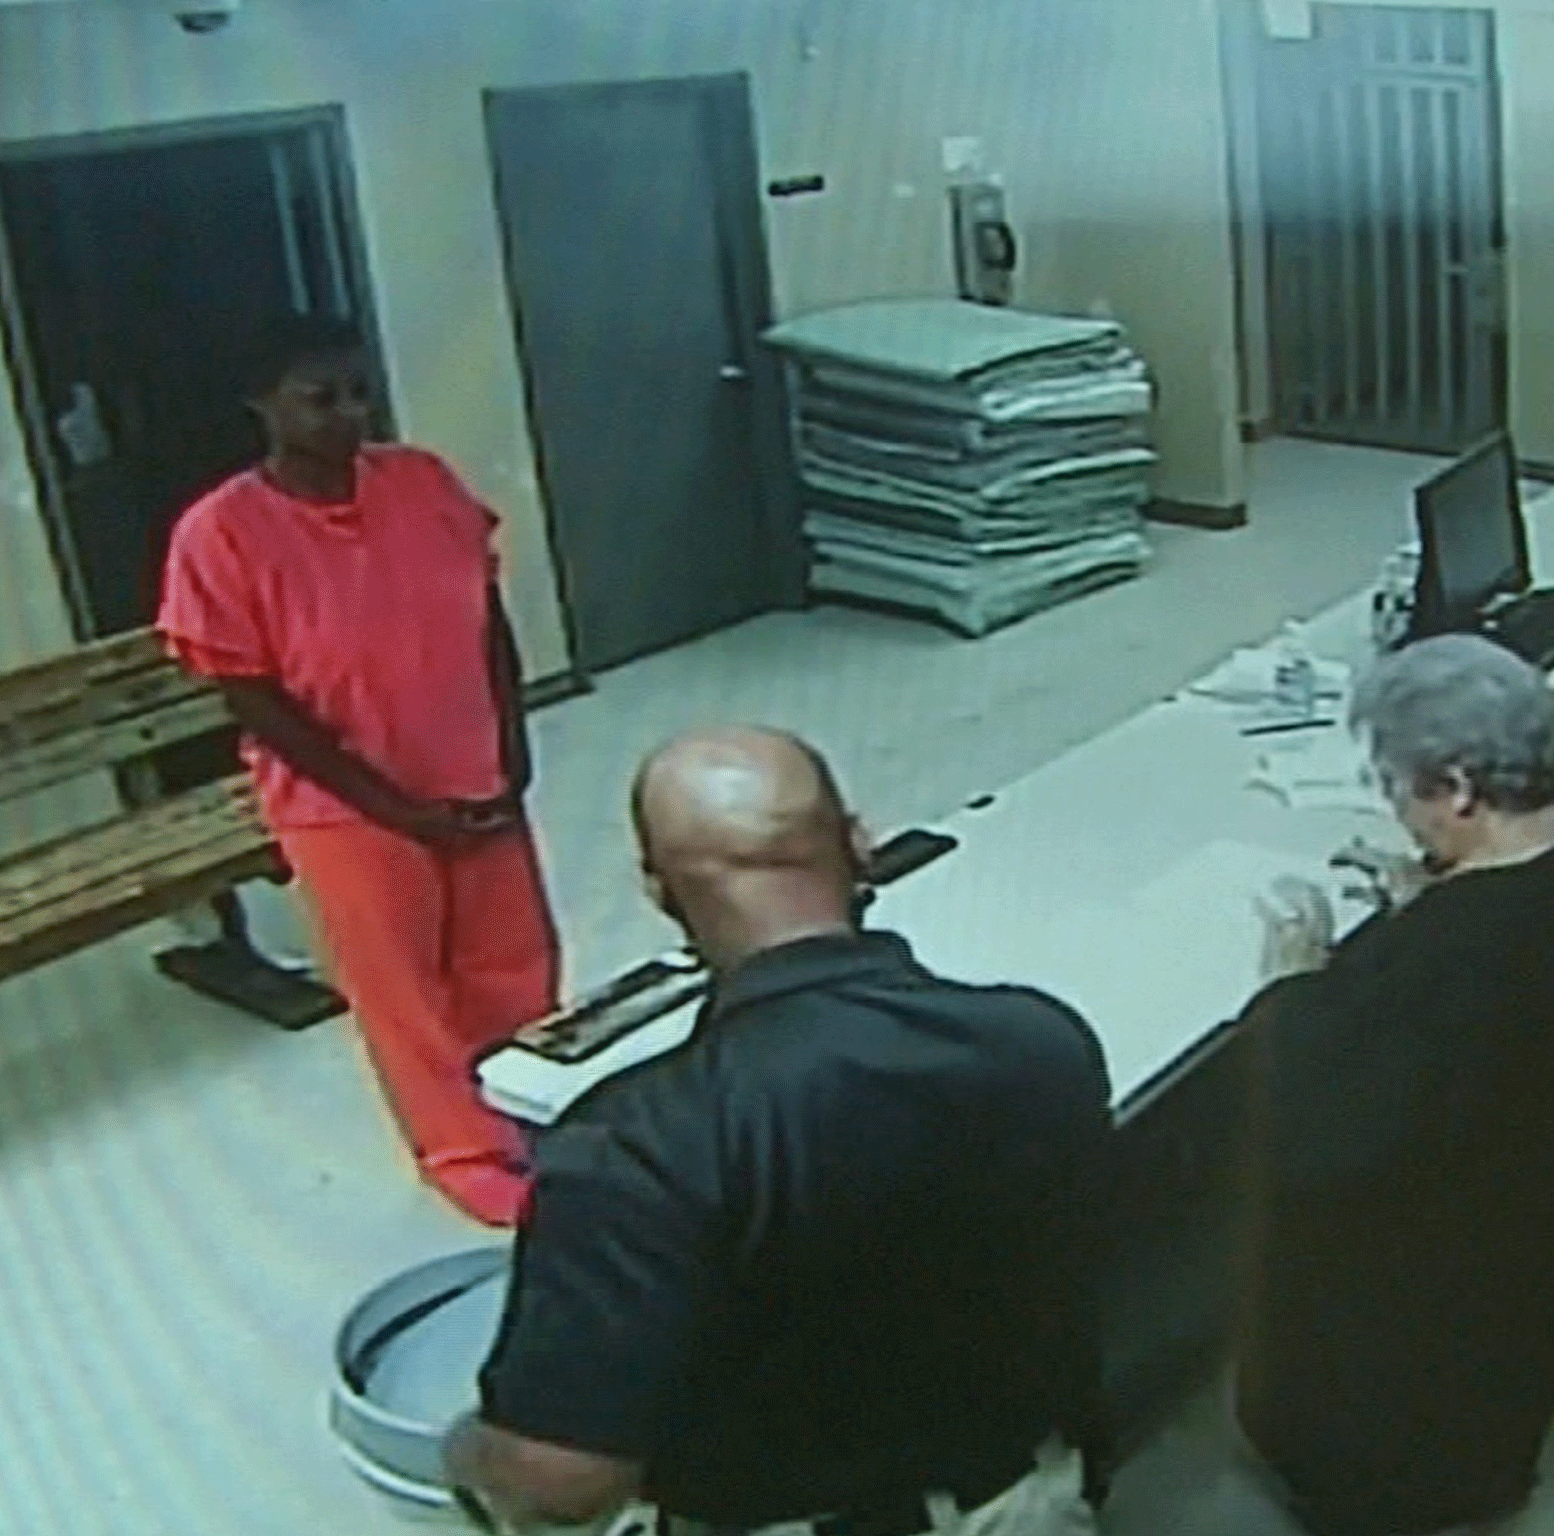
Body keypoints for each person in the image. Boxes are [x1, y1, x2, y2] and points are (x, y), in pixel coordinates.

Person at [445, 727, 1110, 1536]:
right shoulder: (1039, 1039)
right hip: (1030, 1499)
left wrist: (471, 1452)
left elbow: (562, 1486)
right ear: (860, 843)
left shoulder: (632, 1146)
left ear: (658, 891)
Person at [1234, 636, 1554, 1536]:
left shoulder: (1446, 961)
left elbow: (1325, 1142)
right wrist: (1432, 897)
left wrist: (1291, 983)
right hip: (1540, 1226)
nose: (1401, 816)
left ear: (1462, 787)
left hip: (1412, 1304)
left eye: (1402, 789)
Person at [156, 312, 561, 1227]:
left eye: (357, 392)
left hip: (473, 774)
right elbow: (250, 695)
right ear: (262, 404)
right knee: (404, 988)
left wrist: (511, 742)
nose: (347, 414)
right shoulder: (221, 533)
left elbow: (483, 613)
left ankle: (535, 1103)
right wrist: (393, 806)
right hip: (346, 806)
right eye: (318, 398)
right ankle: (465, 1151)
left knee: (514, 958)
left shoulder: (419, 481)